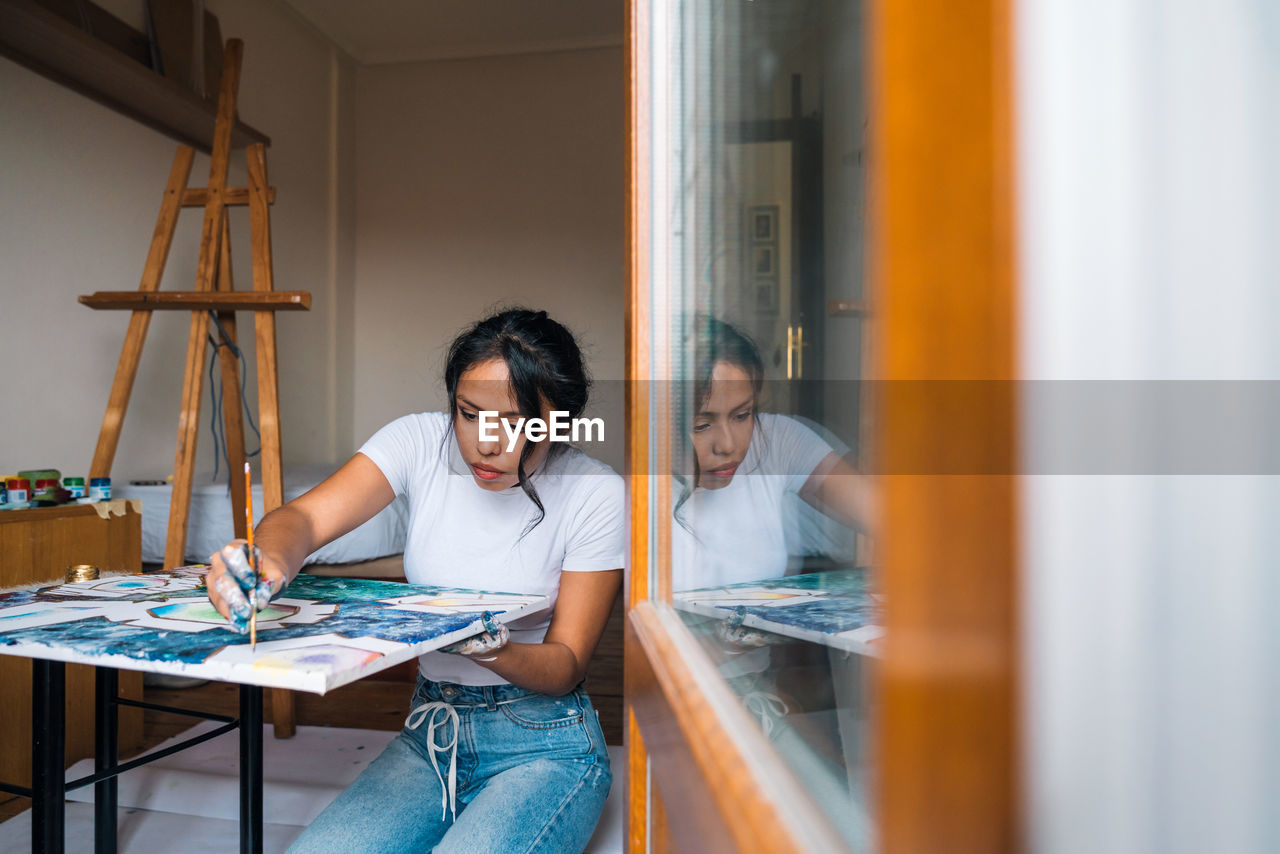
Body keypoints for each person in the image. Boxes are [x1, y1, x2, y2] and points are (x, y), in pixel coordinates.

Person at [206, 308, 623, 853]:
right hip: (431, 735)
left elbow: (566, 663)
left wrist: (488, 646)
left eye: (518, 424)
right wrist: (267, 559)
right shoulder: (419, 442)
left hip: (544, 744)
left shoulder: (596, 493)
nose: (485, 444)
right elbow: (304, 520)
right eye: (469, 414)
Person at [672, 316, 874, 592]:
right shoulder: (633, 482)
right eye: (702, 425)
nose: (728, 446)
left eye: (743, 415)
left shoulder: (776, 439)